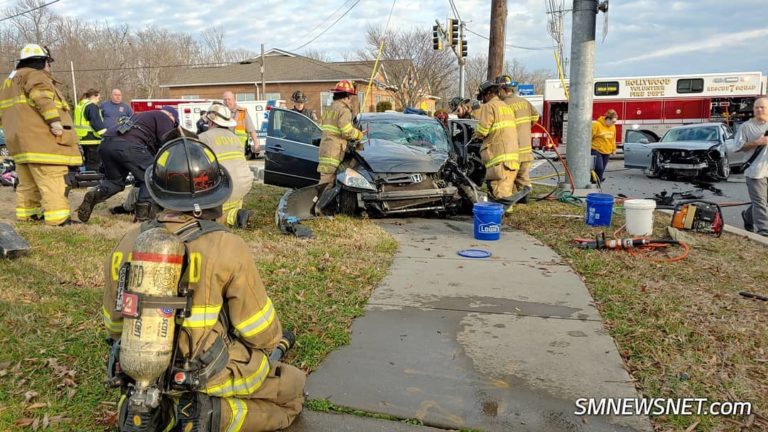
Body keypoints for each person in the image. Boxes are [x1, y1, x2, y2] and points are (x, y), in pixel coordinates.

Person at [102, 138, 306, 432]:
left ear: (158, 194)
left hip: (141, 370)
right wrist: (276, 340)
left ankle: (149, 410)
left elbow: (113, 323)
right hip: (208, 369)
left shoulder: (128, 242)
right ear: (216, 196)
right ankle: (211, 414)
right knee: (292, 391)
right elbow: (259, 332)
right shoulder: (226, 245)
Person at [0, 44, 82, 226]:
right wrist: (56, 124)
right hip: (41, 142)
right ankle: (58, 219)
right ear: (42, 61)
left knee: (27, 183)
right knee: (51, 180)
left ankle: (28, 215)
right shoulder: (36, 76)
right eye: (48, 62)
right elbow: (42, 99)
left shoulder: (9, 82)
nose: (49, 67)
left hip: (19, 144)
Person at [76, 106, 179, 223]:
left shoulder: (139, 116)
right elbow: (167, 142)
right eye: (174, 123)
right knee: (151, 176)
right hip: (129, 145)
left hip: (106, 143)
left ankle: (95, 194)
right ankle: (143, 217)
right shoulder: (164, 117)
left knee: (114, 182)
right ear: (172, 117)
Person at [198, 103, 254, 228]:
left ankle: (226, 217)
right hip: (243, 187)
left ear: (211, 122)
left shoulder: (203, 138)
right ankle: (236, 213)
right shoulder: (235, 138)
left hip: (224, 190)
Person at [472, 80, 520, 210]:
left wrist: (475, 135)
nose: (483, 100)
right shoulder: (505, 107)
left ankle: (499, 222)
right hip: (512, 155)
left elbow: (482, 130)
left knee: (500, 192)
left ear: (487, 94)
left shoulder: (489, 107)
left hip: (499, 157)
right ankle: (504, 215)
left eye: (482, 97)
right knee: (507, 189)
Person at [496, 75, 540, 203]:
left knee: (509, 177)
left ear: (502, 90)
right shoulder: (525, 102)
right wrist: (525, 128)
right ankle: (524, 197)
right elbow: (535, 117)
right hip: (526, 147)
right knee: (523, 176)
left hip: (512, 148)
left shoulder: (503, 105)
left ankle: (512, 200)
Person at [735, 97, 768, 235]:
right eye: (756, 107)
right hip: (755, 172)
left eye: (762, 107)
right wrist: (757, 142)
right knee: (760, 202)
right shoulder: (746, 127)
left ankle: (748, 216)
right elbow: (738, 147)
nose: (759, 110)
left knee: (762, 202)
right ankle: (764, 231)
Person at [74, 88, 107, 172]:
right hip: (92, 139)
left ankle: (85, 179)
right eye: (99, 98)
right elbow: (95, 122)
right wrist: (105, 134)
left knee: (86, 162)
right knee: (94, 164)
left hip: (82, 138)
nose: (99, 100)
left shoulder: (80, 105)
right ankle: (93, 180)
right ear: (94, 96)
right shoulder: (91, 106)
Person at [223, 91, 260, 155]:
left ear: (234, 100)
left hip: (239, 149)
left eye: (229, 99)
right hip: (224, 148)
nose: (227, 102)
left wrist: (256, 144)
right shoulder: (220, 113)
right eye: (225, 100)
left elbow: (251, 129)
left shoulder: (242, 112)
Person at [591, 109, 618, 183]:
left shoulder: (613, 127)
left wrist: (614, 149)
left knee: (601, 170)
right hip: (596, 149)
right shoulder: (597, 125)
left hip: (607, 151)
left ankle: (595, 181)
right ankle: (596, 182)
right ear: (607, 119)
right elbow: (589, 137)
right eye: (612, 122)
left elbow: (613, 139)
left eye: (614, 122)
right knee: (599, 168)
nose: (613, 124)